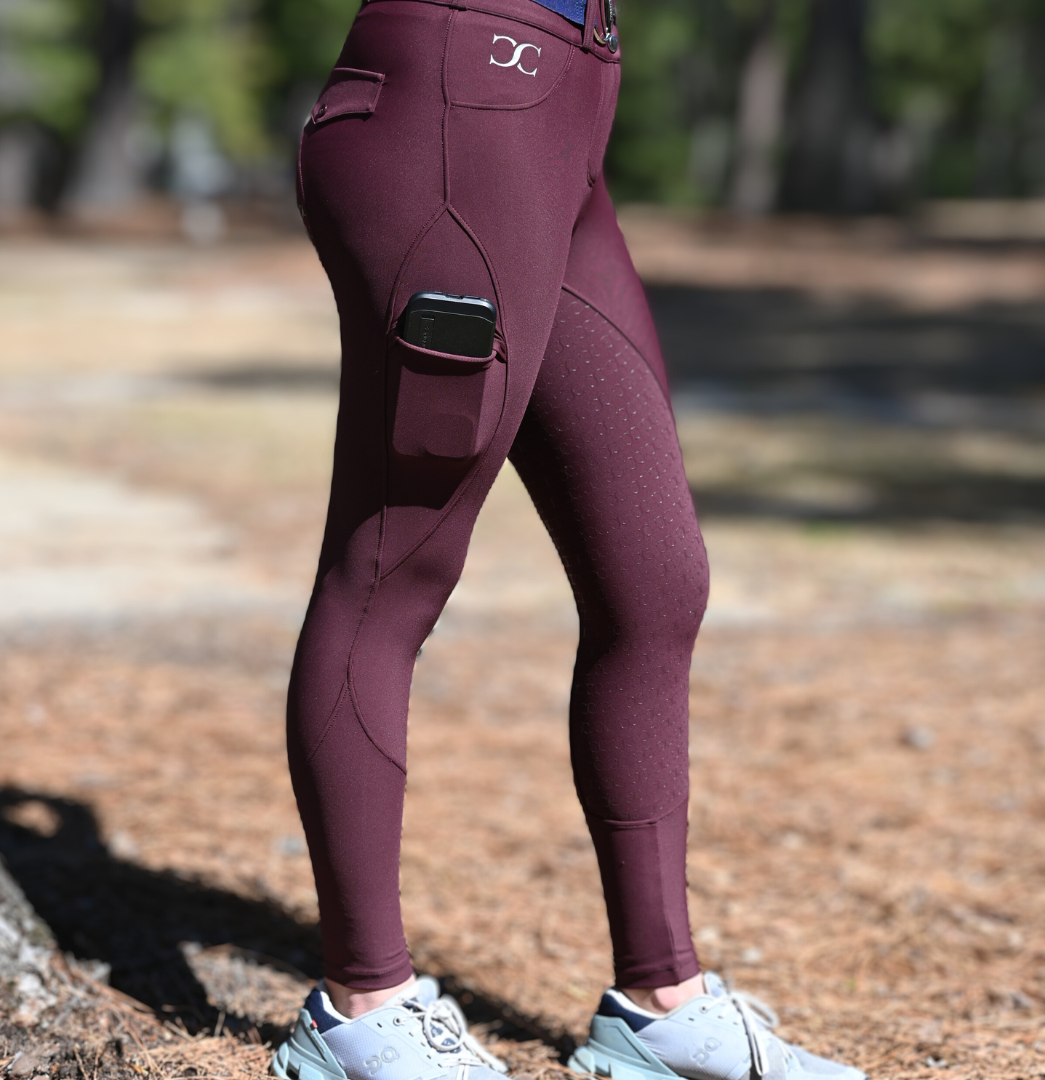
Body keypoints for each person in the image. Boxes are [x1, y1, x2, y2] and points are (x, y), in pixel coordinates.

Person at [273, 0, 866, 1078]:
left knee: (655, 579)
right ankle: (359, 1009)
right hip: (454, 105)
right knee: (393, 567)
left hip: (563, 109)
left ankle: (660, 1006)